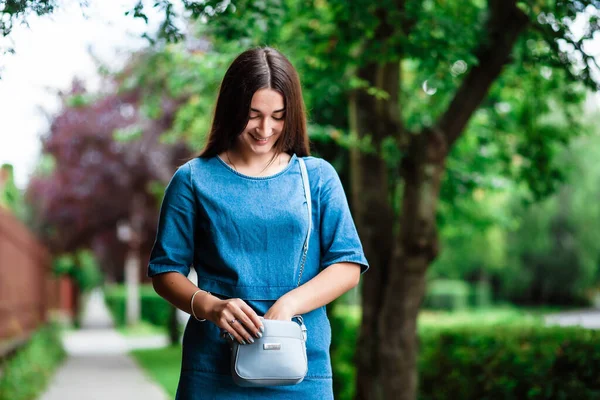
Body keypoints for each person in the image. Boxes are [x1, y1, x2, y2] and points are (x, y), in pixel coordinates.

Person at [148, 46, 369, 400]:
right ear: (232, 110)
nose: (265, 129)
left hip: (302, 372)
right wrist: (211, 306)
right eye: (253, 115)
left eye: (278, 116)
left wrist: (289, 305)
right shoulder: (192, 180)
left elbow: (347, 265)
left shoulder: (317, 177)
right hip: (214, 371)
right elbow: (165, 271)